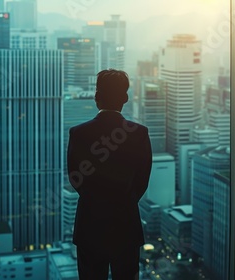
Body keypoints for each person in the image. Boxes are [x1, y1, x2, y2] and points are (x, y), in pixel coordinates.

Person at [67, 69, 153, 280]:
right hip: (126, 224)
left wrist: (95, 199)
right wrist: (124, 200)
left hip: (90, 225)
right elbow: (142, 181)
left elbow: (75, 178)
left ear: (97, 96)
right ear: (125, 97)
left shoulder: (79, 133)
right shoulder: (139, 133)